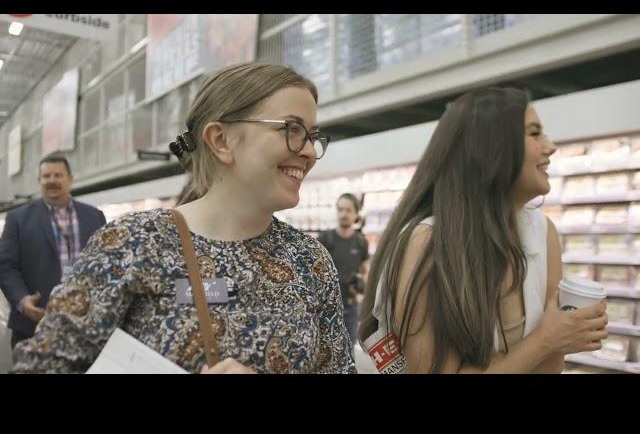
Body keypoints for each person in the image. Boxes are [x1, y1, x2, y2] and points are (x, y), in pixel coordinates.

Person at [12, 62, 355, 374]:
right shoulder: (133, 244)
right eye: (291, 130)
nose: (309, 151)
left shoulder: (311, 261)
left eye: (311, 135)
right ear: (221, 140)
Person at [358, 87, 608, 374]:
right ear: (492, 147)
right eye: (534, 133)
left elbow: (549, 369)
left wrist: (569, 334)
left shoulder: (543, 233)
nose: (550, 146)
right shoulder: (427, 243)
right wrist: (547, 340)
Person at [0, 153, 106, 349]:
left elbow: (106, 263)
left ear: (70, 179)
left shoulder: (94, 216)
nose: (52, 181)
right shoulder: (18, 219)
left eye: (58, 175)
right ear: (39, 181)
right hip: (33, 326)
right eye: (46, 176)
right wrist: (22, 301)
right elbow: (6, 266)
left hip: (85, 324)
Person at [318, 193, 369, 345]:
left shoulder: (361, 242)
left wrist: (362, 289)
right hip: (326, 306)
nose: (343, 214)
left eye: (348, 210)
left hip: (351, 307)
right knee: (324, 349)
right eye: (340, 210)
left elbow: (364, 270)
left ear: (356, 214)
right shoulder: (325, 239)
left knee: (348, 349)